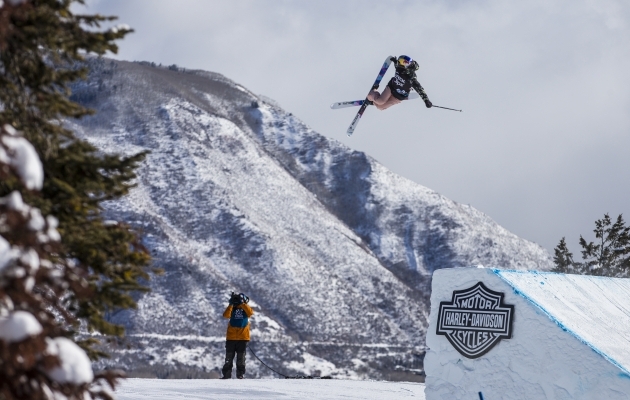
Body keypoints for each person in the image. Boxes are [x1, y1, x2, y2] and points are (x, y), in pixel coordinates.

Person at [367, 55, 432, 111]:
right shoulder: (400, 67)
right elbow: (397, 66)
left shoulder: (411, 78)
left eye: (404, 62)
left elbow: (420, 90)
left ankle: (373, 102)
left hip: (398, 97)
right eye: (400, 61)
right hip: (391, 88)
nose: (400, 63)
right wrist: (395, 62)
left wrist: (426, 101)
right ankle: (370, 95)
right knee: (380, 101)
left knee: (380, 107)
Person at [221, 292, 254, 379]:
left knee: (241, 358)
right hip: (231, 338)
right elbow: (226, 315)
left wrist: (242, 303)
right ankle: (226, 375)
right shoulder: (232, 308)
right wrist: (231, 304)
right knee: (228, 357)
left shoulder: (245, 308)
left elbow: (250, 313)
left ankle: (240, 375)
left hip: (243, 337)